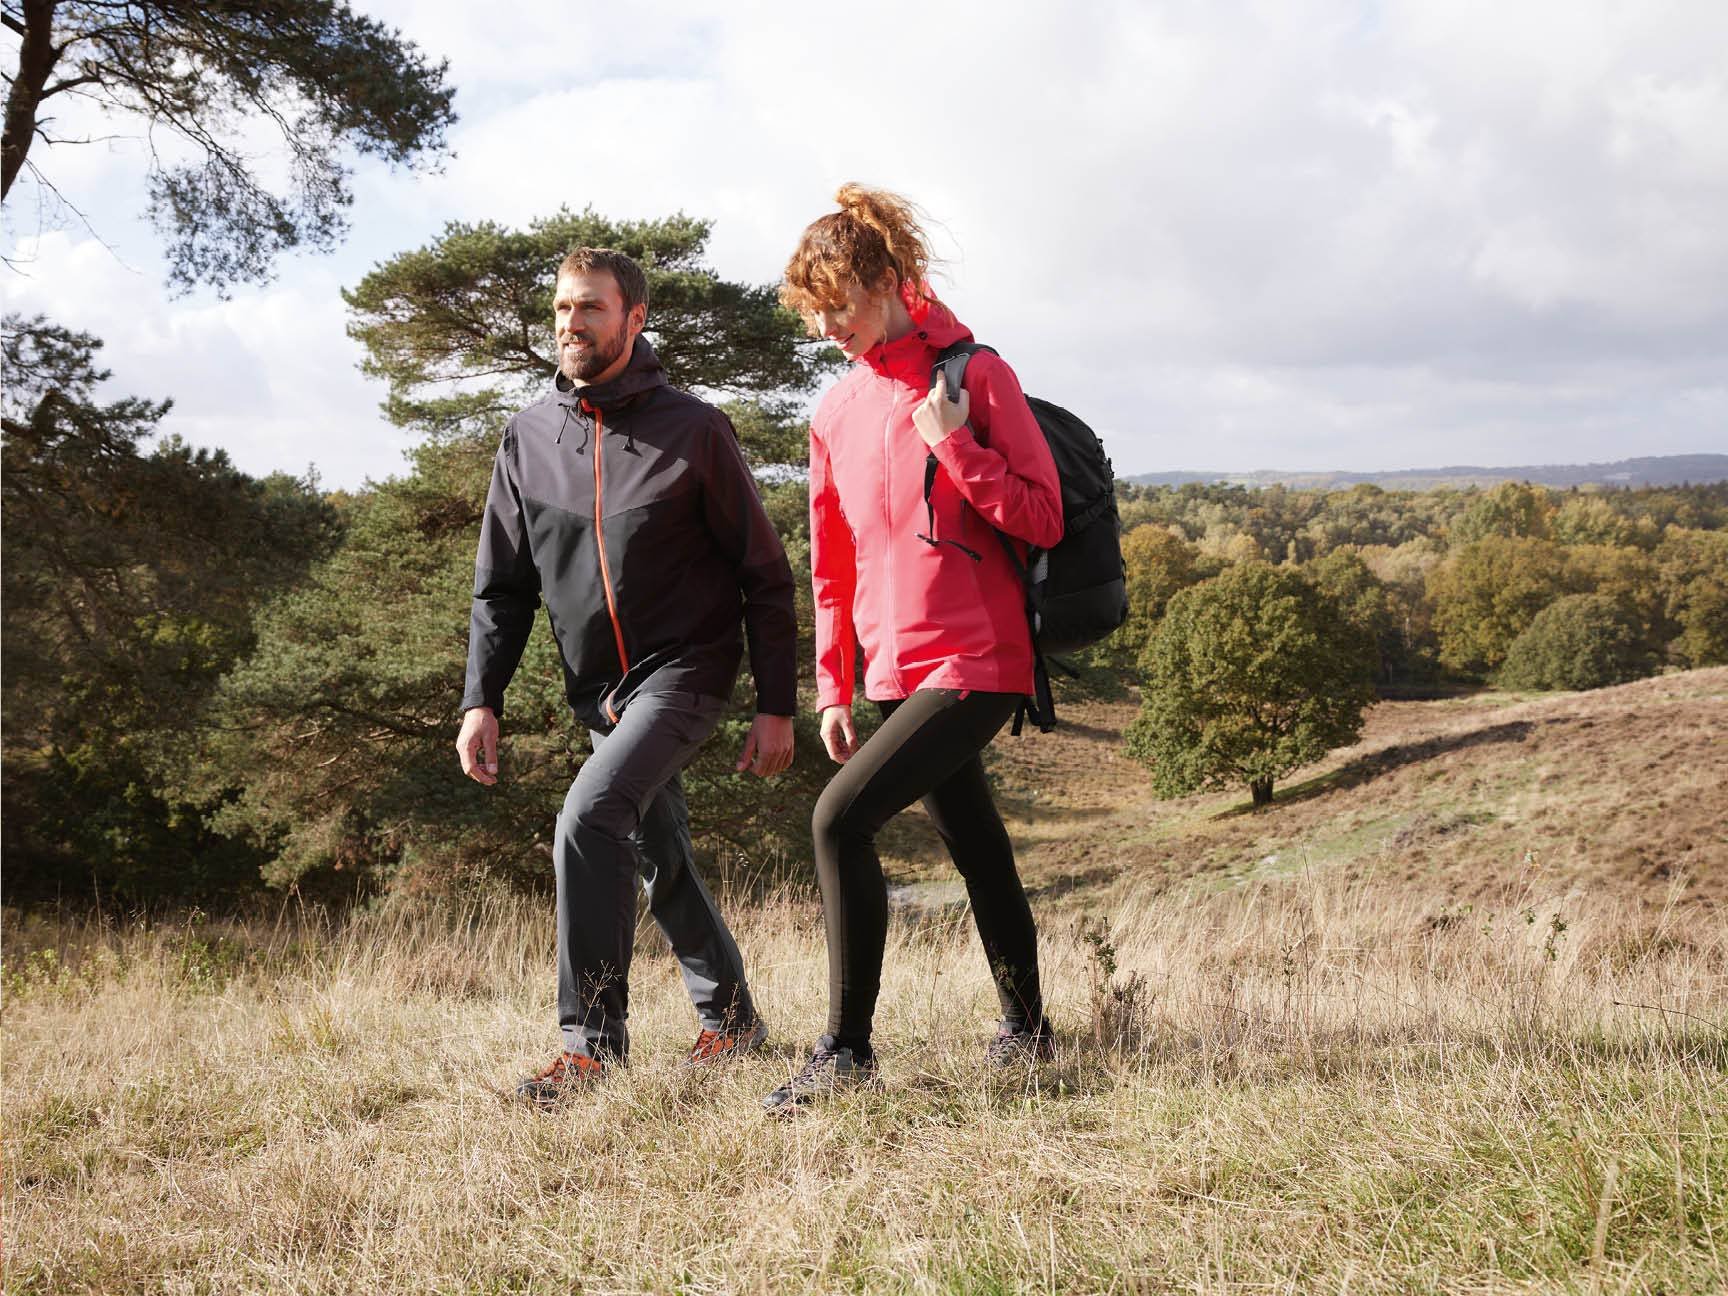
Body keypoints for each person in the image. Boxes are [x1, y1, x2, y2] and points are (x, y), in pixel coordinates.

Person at [456, 247, 798, 1103]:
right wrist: (480, 699)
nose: (571, 326)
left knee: (591, 813)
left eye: (591, 310)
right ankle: (734, 1021)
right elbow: (501, 586)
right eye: (563, 310)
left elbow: (765, 574)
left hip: (687, 670)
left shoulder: (694, 429)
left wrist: (776, 705)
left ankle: (591, 1048)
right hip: (597, 689)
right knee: (655, 844)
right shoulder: (529, 437)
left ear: (634, 318)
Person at [762, 187, 1064, 1113]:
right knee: (975, 844)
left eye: (840, 306)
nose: (829, 329)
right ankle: (1029, 1032)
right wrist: (835, 686)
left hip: (978, 661)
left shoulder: (976, 377)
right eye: (815, 315)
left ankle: (846, 1050)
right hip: (894, 669)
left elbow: (1042, 517)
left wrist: (959, 446)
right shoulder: (835, 412)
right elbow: (832, 566)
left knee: (837, 821)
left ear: (889, 280)